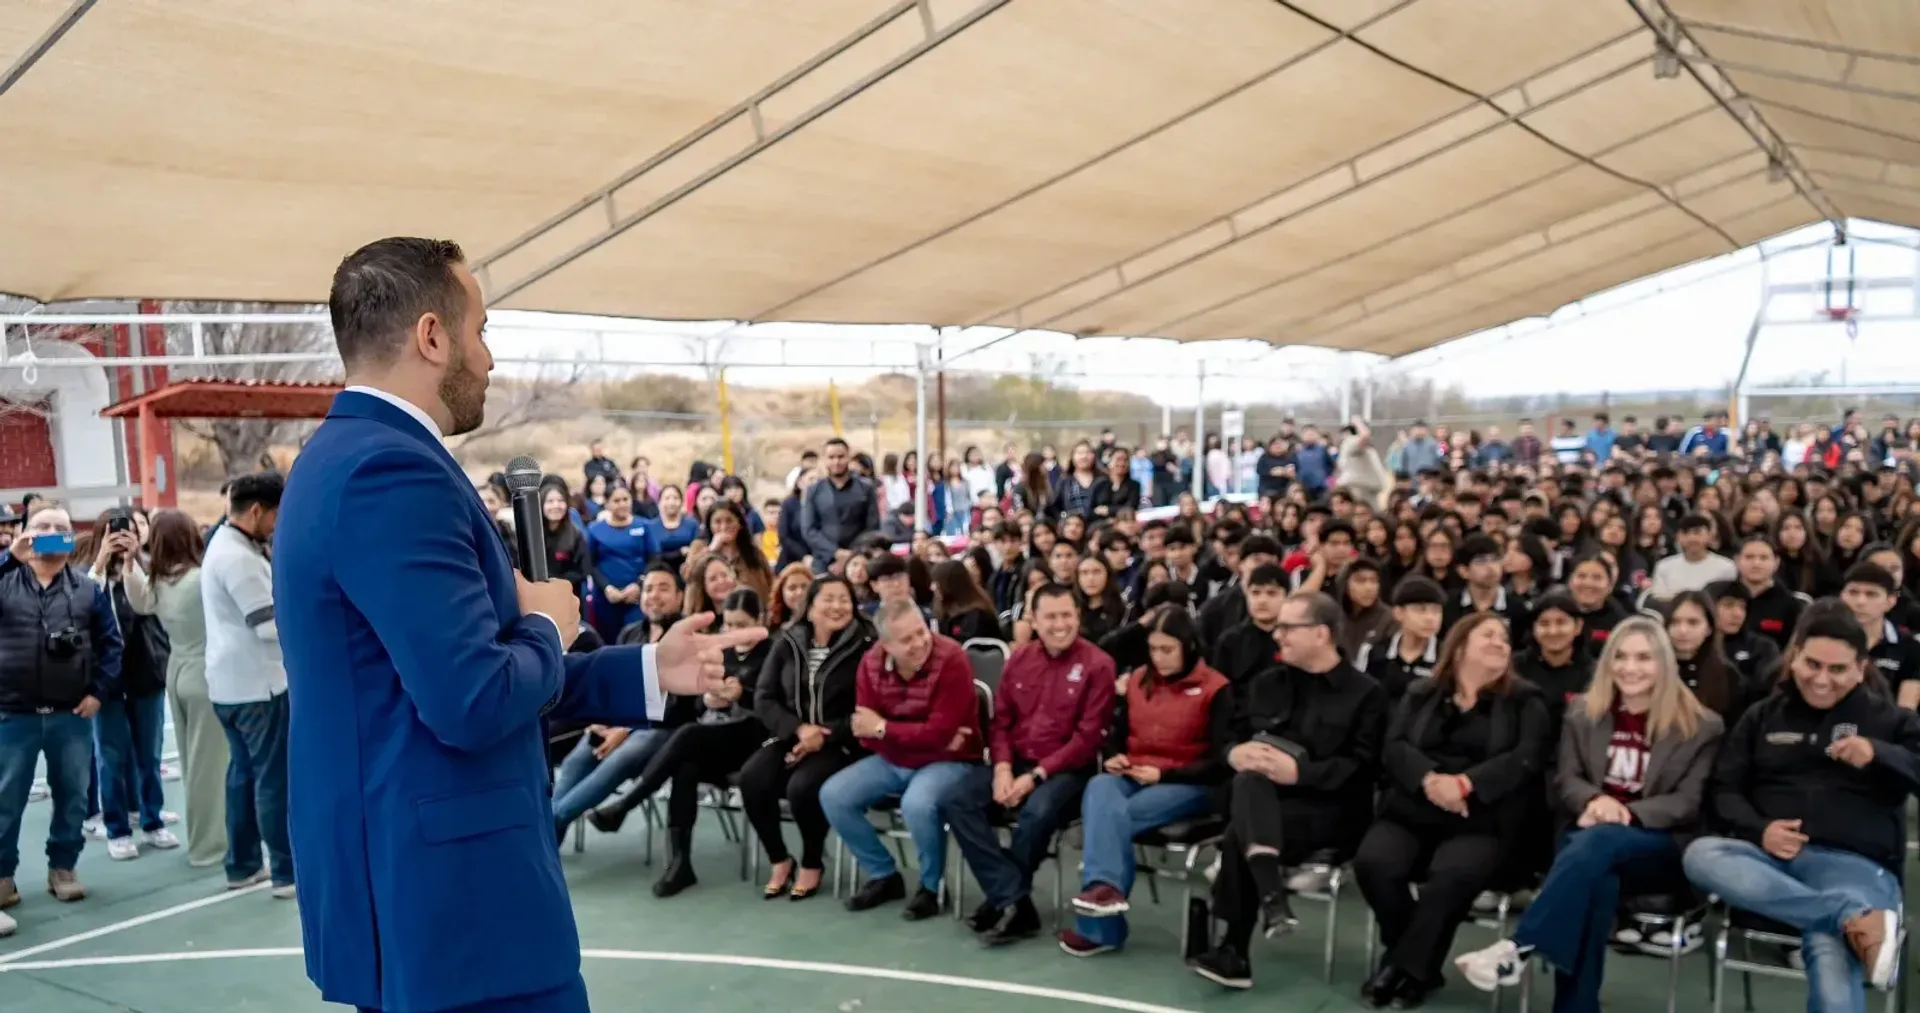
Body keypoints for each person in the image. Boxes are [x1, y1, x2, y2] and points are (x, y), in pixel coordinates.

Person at [275, 237, 763, 1013]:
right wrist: (547, 624)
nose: (491, 358)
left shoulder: (340, 457)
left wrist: (642, 669)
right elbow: (472, 697)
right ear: (432, 336)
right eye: (481, 330)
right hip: (455, 904)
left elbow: (438, 673)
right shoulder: (390, 471)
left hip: (415, 889)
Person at [1453, 617, 1723, 1013]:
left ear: (1664, 664)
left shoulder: (1701, 725)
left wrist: (1622, 812)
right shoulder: (1583, 712)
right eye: (1622, 657)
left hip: (1659, 847)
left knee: (1597, 846)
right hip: (1587, 838)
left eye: (1644, 658)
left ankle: (1519, 945)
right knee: (1598, 880)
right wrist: (1596, 801)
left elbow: (1686, 802)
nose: (1630, 668)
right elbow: (1567, 778)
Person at [1683, 608, 1920, 1011]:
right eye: (1811, 664)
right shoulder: (1761, 715)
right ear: (1794, 659)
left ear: (1860, 670)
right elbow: (1724, 790)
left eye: (1838, 669)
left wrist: (1879, 754)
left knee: (1830, 952)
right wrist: (1760, 830)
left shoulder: (1891, 721)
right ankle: (1851, 918)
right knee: (1701, 854)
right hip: (1767, 862)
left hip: (1855, 866)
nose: (1821, 679)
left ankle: (1844, 917)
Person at [1191, 592, 1389, 989]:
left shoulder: (1366, 694)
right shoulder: (1267, 682)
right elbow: (1228, 735)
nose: (1277, 635)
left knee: (1239, 832)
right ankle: (1268, 903)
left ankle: (1237, 946)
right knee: (1248, 785)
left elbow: (1364, 767)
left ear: (1321, 633)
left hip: (1331, 811)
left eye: (1287, 628)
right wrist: (1236, 753)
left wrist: (1301, 774)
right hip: (1266, 803)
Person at [1354, 612, 1552, 1009]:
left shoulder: (1526, 700)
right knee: (1374, 863)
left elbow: (1526, 758)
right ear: (1460, 646)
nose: (1501, 643)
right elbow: (1394, 747)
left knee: (1449, 878)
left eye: (1505, 638)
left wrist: (1465, 783)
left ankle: (1405, 970)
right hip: (1413, 807)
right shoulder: (1421, 693)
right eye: (1489, 635)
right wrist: (1430, 779)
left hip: (1481, 818)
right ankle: (1414, 960)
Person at [944, 584, 1115, 945]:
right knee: (956, 799)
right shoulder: (1018, 660)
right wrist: (1003, 768)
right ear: (1033, 621)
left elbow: (1087, 740)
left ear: (1078, 616)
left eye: (1067, 615)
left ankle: (1003, 899)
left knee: (1037, 812)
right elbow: (1000, 722)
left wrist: (1036, 776)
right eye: (1050, 616)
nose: (1060, 624)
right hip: (1016, 760)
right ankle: (1014, 899)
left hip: (1068, 770)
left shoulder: (1099, 665)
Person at [1061, 607, 1232, 957]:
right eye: (1153, 649)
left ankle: (1100, 926)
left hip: (1189, 784)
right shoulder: (1139, 680)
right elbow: (1116, 734)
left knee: (1112, 816)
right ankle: (1104, 893)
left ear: (1188, 647)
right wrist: (1112, 755)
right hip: (1135, 772)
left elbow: (1219, 761)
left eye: (1167, 650)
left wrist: (1165, 774)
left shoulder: (1216, 689)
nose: (1159, 657)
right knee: (1099, 787)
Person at [0, 506, 121, 938]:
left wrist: (98, 693)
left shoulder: (89, 590)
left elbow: (112, 647)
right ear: (25, 535)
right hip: (12, 713)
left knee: (73, 794)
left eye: (61, 529)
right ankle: (2, 878)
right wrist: (9, 560)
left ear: (72, 538)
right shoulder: (6, 579)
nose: (51, 534)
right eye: (42, 527)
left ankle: (63, 868)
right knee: (5, 800)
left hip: (71, 714)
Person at [605, 587, 772, 898]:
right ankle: (681, 863)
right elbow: (698, 705)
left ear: (759, 620)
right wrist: (708, 699)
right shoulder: (725, 652)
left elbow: (776, 706)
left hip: (758, 740)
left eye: (742, 624)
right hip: (721, 737)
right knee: (686, 767)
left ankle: (627, 803)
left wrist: (742, 696)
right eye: (730, 624)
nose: (735, 631)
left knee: (689, 734)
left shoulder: (773, 651)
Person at [821, 598, 982, 918]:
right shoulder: (870, 664)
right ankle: (883, 874)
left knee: (917, 804)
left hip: (952, 761)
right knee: (833, 795)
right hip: (895, 758)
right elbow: (864, 731)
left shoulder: (952, 658)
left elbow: (933, 732)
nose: (920, 643)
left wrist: (884, 727)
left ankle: (931, 887)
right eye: (907, 639)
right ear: (886, 644)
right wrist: (917, 734)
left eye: (921, 632)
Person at [743, 575, 874, 900]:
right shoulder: (787, 641)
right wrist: (799, 730)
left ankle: (812, 862)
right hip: (792, 734)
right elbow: (764, 697)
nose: (837, 606)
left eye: (844, 599)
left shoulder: (866, 644)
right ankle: (779, 858)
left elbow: (871, 706)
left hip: (841, 741)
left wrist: (824, 734)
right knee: (752, 779)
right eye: (828, 599)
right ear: (810, 607)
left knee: (802, 788)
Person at [201, 472, 296, 896]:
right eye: (276, 515)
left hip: (229, 683)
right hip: (259, 685)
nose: (278, 523)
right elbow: (267, 626)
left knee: (242, 776)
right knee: (272, 780)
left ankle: (241, 864)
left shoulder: (224, 545)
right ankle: (285, 871)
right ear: (256, 510)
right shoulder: (238, 558)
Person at [127, 508, 229, 868]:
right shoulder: (200, 579)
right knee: (210, 765)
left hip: (176, 670)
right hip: (204, 672)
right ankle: (210, 847)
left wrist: (129, 562)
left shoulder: (158, 582)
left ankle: (206, 839)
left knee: (193, 763)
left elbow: (138, 601)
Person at [802, 438, 881, 575]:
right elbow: (809, 530)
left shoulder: (866, 488)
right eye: (831, 457)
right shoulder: (814, 491)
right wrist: (835, 553)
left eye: (840, 457)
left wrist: (850, 556)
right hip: (823, 562)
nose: (836, 462)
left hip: (859, 562)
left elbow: (872, 527)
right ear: (825, 459)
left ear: (849, 457)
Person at [1649, 514, 1738, 599]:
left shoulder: (1726, 567)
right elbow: (1659, 598)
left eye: (1697, 532)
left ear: (1710, 536)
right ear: (1678, 537)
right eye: (1686, 533)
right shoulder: (1664, 566)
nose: (1692, 538)